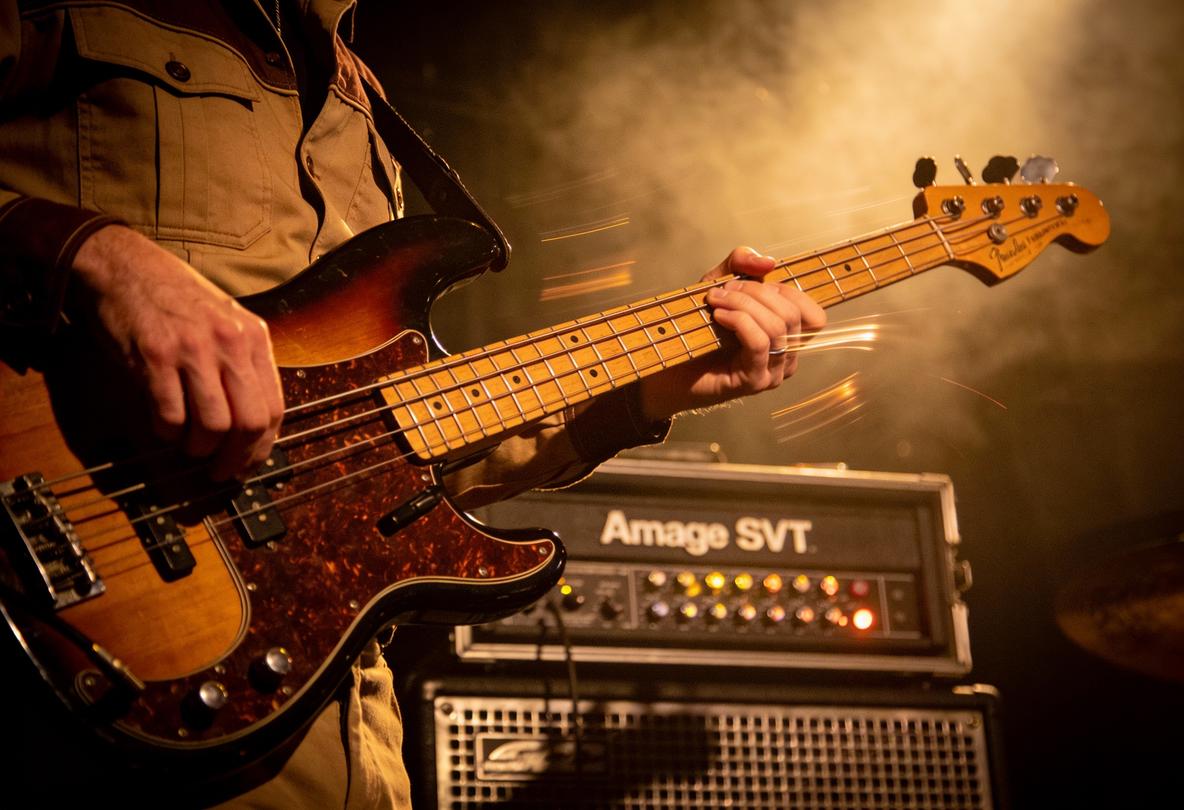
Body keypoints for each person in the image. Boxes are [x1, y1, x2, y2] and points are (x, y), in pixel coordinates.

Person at [0, 2, 825, 807]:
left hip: (333, 730)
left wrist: (640, 391)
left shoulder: (360, 97)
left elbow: (370, 449)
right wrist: (92, 256)